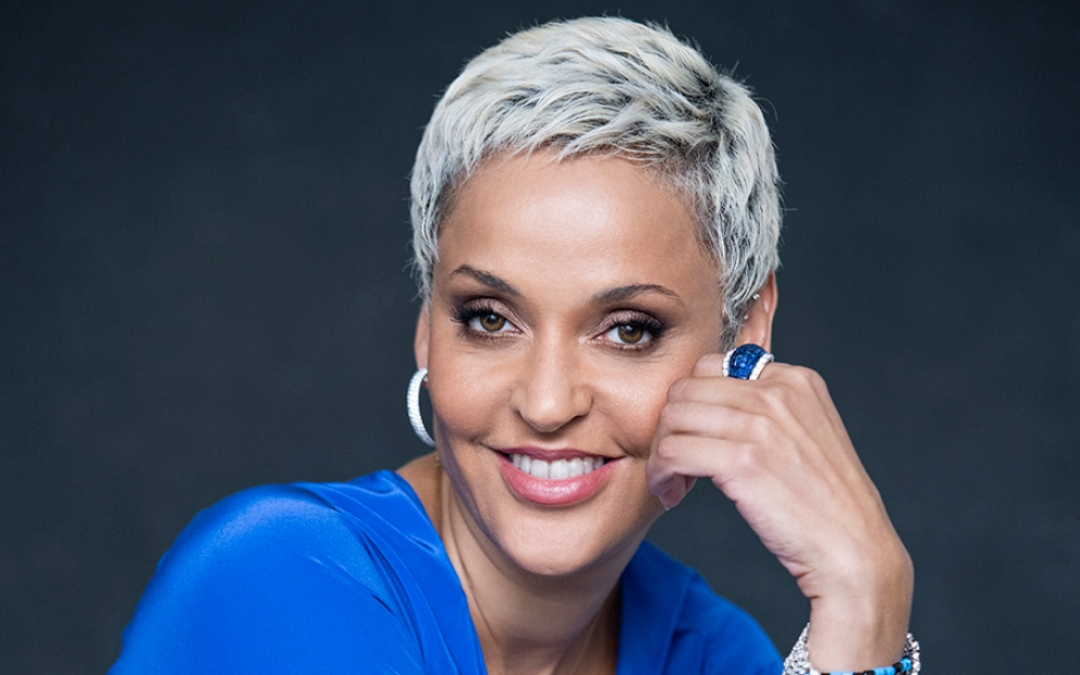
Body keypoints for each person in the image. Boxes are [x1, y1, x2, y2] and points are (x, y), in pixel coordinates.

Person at [110, 17, 917, 675]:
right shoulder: (279, 574)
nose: (547, 401)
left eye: (628, 329)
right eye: (491, 318)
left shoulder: (709, 652)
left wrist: (863, 599)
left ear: (744, 334)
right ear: (427, 324)